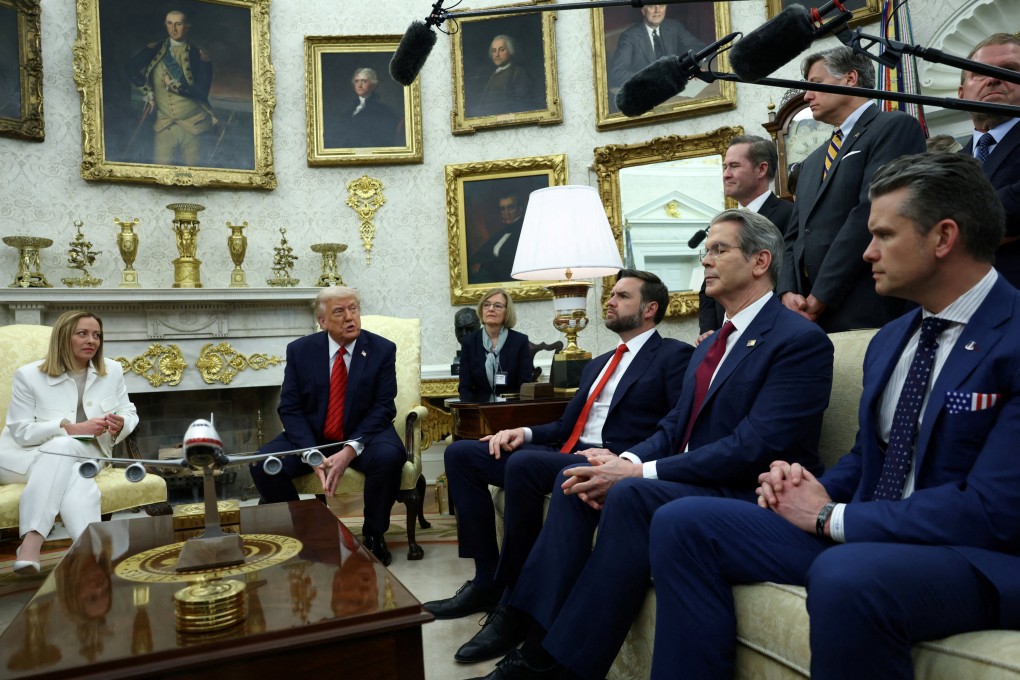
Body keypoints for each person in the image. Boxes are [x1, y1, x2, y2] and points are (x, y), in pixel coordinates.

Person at [649, 153, 1020, 680]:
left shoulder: (1013, 336)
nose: (867, 253)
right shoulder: (892, 338)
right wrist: (809, 487)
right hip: (869, 531)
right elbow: (870, 456)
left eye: (884, 235)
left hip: (976, 553)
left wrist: (831, 517)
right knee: (682, 522)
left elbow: (995, 510)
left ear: (943, 237)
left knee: (846, 574)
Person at [472, 211, 835, 680]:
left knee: (629, 493)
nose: (706, 260)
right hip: (694, 480)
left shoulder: (798, 340)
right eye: (705, 250)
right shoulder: (710, 345)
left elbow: (754, 446)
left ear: (760, 261)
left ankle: (556, 664)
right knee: (581, 481)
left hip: (748, 488)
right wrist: (622, 459)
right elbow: (674, 425)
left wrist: (639, 472)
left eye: (719, 249)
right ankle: (533, 632)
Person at [424, 270, 694, 662]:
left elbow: (675, 426)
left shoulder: (673, 356)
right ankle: (485, 581)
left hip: (607, 461)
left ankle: (513, 602)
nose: (609, 301)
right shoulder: (598, 363)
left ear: (650, 309)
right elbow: (566, 426)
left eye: (622, 296)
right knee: (462, 454)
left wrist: (624, 458)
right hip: (564, 452)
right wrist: (522, 432)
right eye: (611, 295)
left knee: (525, 465)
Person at [249, 286, 405, 566]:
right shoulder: (300, 351)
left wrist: (351, 449)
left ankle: (374, 535)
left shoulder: (381, 349)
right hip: (315, 436)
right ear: (322, 321)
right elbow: (290, 407)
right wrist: (310, 452)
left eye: (353, 309)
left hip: (365, 434)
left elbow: (384, 407)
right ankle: (306, 532)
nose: (350, 317)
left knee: (390, 457)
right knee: (263, 464)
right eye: (339, 311)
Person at [778, 46, 927, 332]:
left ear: (850, 78)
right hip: (808, 317)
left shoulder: (893, 128)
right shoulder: (812, 161)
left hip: (868, 307)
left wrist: (822, 295)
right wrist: (788, 292)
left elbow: (869, 213)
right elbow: (793, 236)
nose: (806, 96)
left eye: (815, 84)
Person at [0, 311, 137, 575]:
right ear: (64, 337)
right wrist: (69, 429)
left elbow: (129, 412)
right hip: (21, 457)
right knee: (71, 464)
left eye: (96, 335)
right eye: (82, 334)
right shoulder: (29, 375)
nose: (92, 340)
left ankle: (31, 543)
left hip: (87, 452)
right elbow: (20, 431)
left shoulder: (112, 370)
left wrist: (121, 424)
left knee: (67, 457)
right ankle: (91, 555)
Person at [700, 134, 795, 340]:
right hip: (723, 337)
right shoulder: (723, 224)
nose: (726, 174)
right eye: (725, 167)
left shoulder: (789, 215)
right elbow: (707, 285)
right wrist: (708, 331)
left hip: (767, 334)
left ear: (761, 169)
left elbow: (788, 273)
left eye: (734, 166)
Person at [958, 33, 1020, 287]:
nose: (993, 79)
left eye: (1009, 70)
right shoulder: (949, 163)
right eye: (980, 73)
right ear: (961, 93)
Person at [126, 9, 216, 167]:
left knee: (194, 173)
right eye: (169, 23)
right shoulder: (155, 49)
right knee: (160, 172)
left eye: (178, 24)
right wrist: (148, 92)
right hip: (163, 125)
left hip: (194, 126)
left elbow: (201, 92)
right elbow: (130, 68)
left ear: (187, 26)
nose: (173, 29)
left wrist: (172, 85)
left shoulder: (199, 55)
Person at [458, 288, 534, 402]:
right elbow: (465, 386)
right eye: (486, 305)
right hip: (479, 407)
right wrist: (473, 409)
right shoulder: (469, 342)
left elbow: (524, 384)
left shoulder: (519, 341)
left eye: (497, 306)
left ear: (507, 311)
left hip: (511, 407)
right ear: (481, 310)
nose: (491, 309)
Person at [609, 4, 704, 88]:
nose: (657, 10)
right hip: (649, 91)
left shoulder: (674, 26)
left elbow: (699, 48)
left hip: (676, 87)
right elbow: (616, 74)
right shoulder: (629, 37)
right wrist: (652, 78)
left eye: (661, 5)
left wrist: (688, 66)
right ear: (643, 10)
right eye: (651, 5)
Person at [323, 67, 400, 149]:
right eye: (356, 81)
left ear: (373, 85)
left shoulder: (384, 111)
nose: (359, 85)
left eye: (364, 81)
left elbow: (383, 140)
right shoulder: (349, 111)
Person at [469, 35, 539, 118]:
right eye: (494, 51)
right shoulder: (493, 72)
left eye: (502, 50)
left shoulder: (518, 72)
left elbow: (521, 104)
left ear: (510, 51)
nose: (497, 55)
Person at [470, 192, 526, 285]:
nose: (506, 213)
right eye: (503, 209)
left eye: (511, 208)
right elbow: (478, 256)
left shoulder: (525, 232)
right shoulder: (500, 234)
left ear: (520, 209)